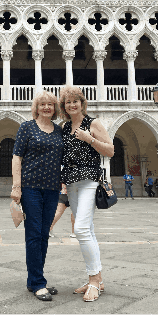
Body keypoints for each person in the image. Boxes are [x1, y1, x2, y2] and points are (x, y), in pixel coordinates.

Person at [59, 85, 114, 303]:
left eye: (76, 101)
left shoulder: (93, 123)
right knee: (87, 230)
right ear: (64, 106)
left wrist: (88, 138)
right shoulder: (63, 128)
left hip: (89, 180)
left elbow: (110, 150)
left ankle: (94, 280)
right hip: (71, 182)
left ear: (82, 103)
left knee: (80, 229)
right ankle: (97, 279)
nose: (72, 105)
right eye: (68, 102)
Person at [12, 91, 63, 301]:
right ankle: (38, 282)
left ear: (55, 108)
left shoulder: (59, 130)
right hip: (31, 188)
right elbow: (17, 157)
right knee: (33, 235)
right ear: (36, 107)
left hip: (52, 189)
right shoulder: (27, 127)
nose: (47, 107)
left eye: (50, 104)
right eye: (42, 104)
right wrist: (16, 186)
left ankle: (35, 280)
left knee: (44, 234)